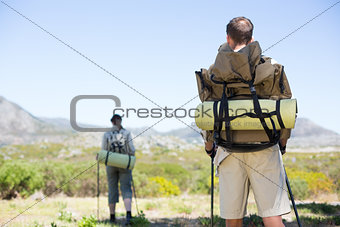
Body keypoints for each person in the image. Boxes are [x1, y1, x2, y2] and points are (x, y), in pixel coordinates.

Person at [203, 17, 291, 227]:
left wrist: (209, 148)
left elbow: (209, 115)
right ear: (252, 39)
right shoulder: (272, 67)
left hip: (228, 150)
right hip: (266, 148)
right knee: (272, 216)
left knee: (232, 218)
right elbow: (285, 111)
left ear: (227, 37)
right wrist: (282, 144)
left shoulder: (215, 70)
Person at [101, 114, 136, 224]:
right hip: (124, 163)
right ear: (120, 121)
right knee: (126, 188)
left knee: (112, 189)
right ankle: (128, 215)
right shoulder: (126, 133)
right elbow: (132, 149)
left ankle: (112, 217)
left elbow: (104, 150)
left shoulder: (106, 134)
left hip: (111, 163)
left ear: (112, 122)